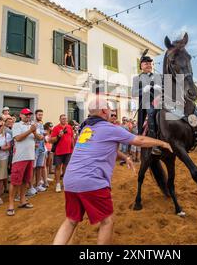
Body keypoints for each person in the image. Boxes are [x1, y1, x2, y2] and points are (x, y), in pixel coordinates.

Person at [53, 97, 173, 245]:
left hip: (71, 181)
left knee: (71, 221)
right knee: (107, 221)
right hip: (92, 181)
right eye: (109, 108)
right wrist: (162, 143)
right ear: (104, 111)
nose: (111, 110)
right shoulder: (109, 128)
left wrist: (125, 157)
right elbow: (139, 141)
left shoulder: (86, 129)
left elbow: (101, 149)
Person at [7, 108, 43, 216]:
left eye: (29, 115)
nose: (28, 116)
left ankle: (23, 201)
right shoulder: (17, 125)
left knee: (25, 180)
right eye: (26, 115)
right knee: (15, 181)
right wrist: (30, 131)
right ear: (21, 115)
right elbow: (17, 138)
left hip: (30, 157)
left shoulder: (32, 126)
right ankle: (11, 204)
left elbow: (40, 138)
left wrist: (34, 131)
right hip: (19, 158)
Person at [132, 49, 163, 155]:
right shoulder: (137, 78)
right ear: (141, 66)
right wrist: (144, 89)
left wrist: (161, 87)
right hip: (147, 103)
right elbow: (134, 93)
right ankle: (154, 145)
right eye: (146, 63)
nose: (149, 65)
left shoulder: (158, 76)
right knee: (151, 112)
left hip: (160, 100)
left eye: (150, 63)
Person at [51, 114, 74, 193]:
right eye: (63, 119)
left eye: (65, 119)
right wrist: (58, 136)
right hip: (59, 151)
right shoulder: (56, 128)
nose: (64, 120)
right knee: (58, 168)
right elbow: (52, 140)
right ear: (59, 119)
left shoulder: (69, 127)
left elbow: (71, 138)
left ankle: (65, 183)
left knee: (66, 168)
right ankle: (57, 184)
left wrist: (73, 147)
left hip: (68, 151)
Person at [33, 109, 47, 193]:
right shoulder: (33, 124)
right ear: (35, 115)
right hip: (35, 149)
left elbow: (42, 135)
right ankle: (31, 186)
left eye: (41, 115)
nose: (40, 116)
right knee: (33, 168)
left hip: (42, 148)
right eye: (39, 115)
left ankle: (38, 185)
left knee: (39, 167)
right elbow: (33, 135)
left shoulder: (41, 124)